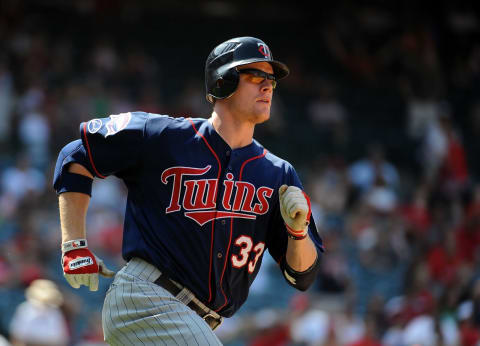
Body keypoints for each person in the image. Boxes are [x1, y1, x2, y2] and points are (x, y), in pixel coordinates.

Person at [53, 36, 324, 345]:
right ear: (223, 82)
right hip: (147, 300)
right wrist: (73, 244)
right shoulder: (163, 136)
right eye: (255, 76)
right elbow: (76, 156)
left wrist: (298, 231)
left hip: (196, 322)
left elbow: (301, 275)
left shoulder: (278, 174)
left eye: (271, 80)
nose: (267, 86)